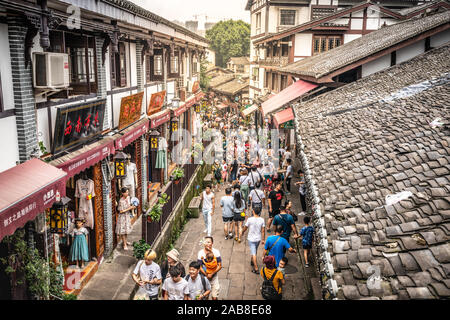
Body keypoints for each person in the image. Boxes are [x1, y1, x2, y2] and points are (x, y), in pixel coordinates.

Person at [242, 207, 265, 273]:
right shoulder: (262, 220)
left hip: (251, 239)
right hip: (258, 238)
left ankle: (256, 268)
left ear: (253, 212)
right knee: (255, 250)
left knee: (254, 252)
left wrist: (242, 232)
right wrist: (263, 239)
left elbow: (245, 227)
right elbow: (263, 231)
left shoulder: (250, 219)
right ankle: (252, 260)